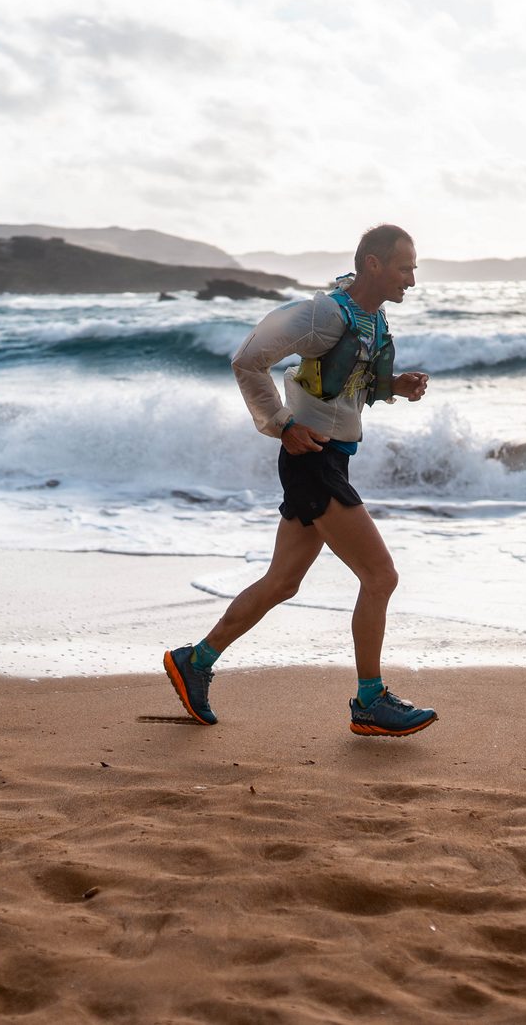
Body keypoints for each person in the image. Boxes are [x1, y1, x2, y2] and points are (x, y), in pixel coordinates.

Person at [162, 224, 438, 737]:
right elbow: (248, 358)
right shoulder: (322, 313)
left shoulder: (371, 318)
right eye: (405, 268)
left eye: (414, 269)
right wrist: (282, 425)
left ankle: (194, 661)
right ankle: (369, 700)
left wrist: (393, 386)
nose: (412, 280)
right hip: (312, 460)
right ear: (373, 265)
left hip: (329, 457)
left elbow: (341, 385)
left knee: (282, 582)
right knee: (380, 576)